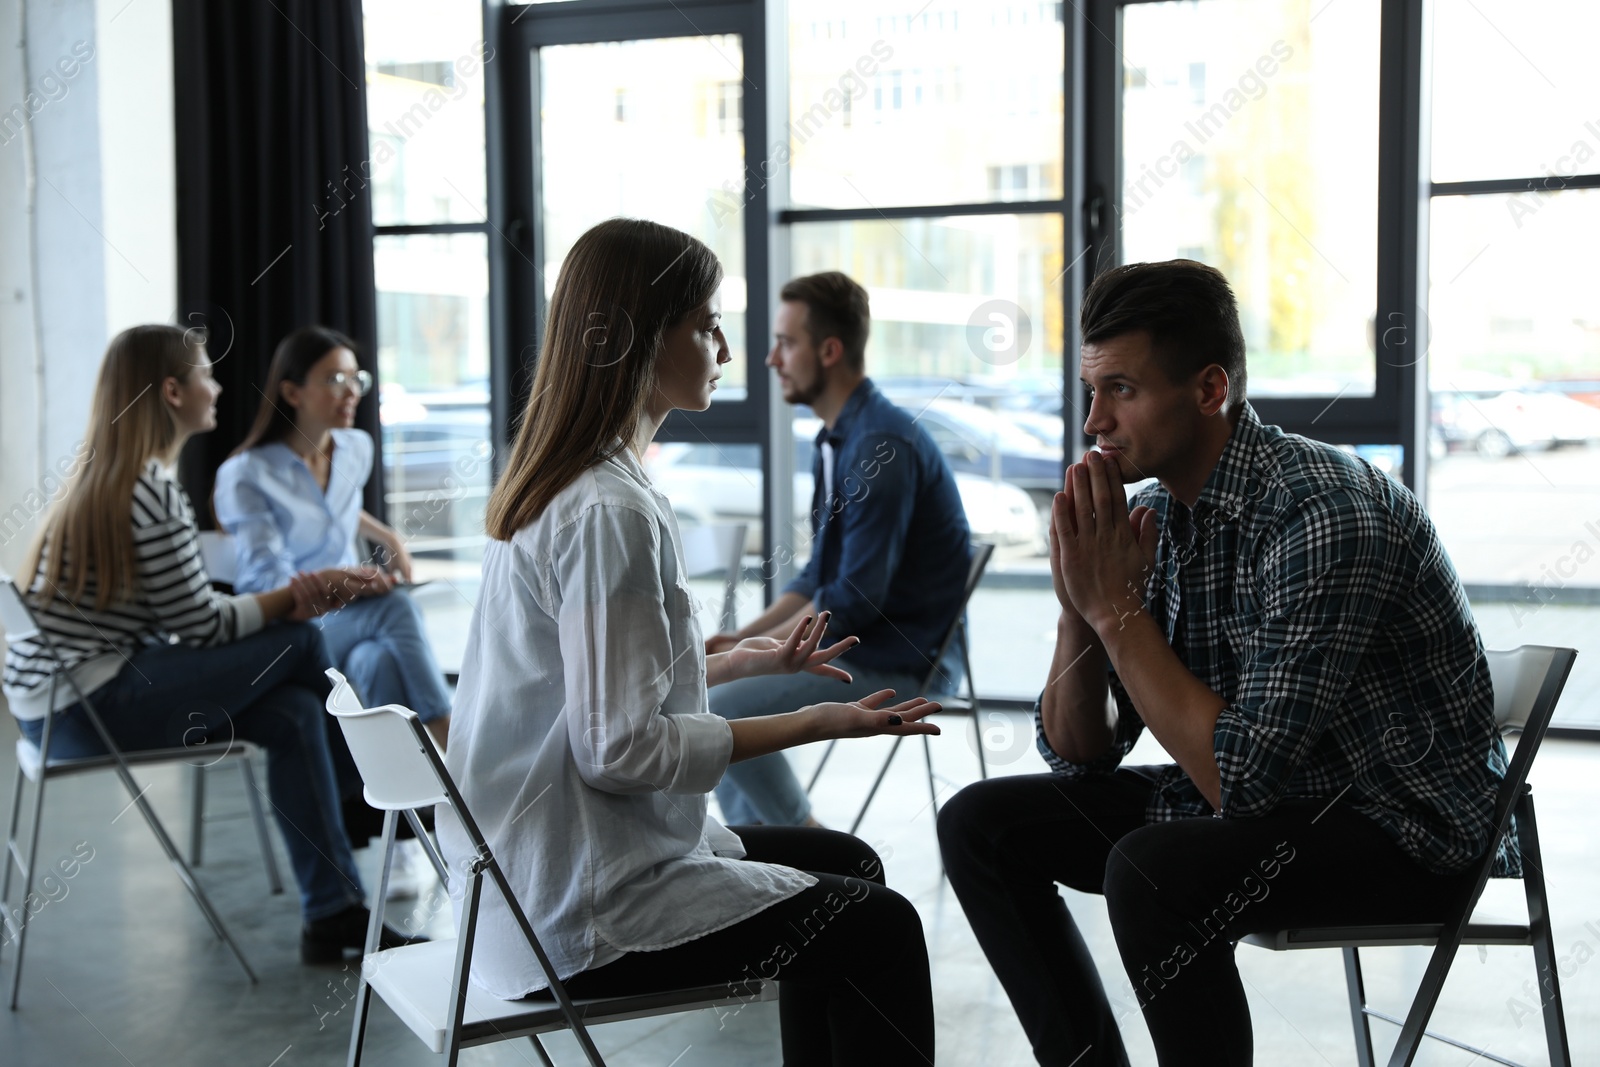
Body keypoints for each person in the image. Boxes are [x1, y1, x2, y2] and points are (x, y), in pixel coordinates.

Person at [937, 260, 1511, 1067]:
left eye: (1122, 390)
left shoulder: (1321, 511)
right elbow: (1082, 751)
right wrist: (1080, 606)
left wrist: (1117, 612)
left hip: (1402, 831)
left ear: (1210, 391)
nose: (1094, 419)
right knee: (981, 824)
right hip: (1271, 803)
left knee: (1154, 870)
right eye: (1090, 389)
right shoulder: (1157, 514)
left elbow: (1240, 783)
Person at [437, 218, 938, 1064]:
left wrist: (746, 659)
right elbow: (620, 749)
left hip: (522, 890)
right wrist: (819, 718)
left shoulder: (571, 484)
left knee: (847, 861)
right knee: (880, 929)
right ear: (637, 337)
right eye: (707, 324)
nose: (728, 350)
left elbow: (597, 686)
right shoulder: (612, 509)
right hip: (579, 906)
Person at [1, 325, 422, 964]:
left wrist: (297, 594)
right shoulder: (148, 490)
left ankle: (333, 913)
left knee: (294, 713)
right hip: (86, 712)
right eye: (205, 373)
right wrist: (301, 594)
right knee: (302, 641)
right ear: (172, 391)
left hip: (51, 714)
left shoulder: (110, 478)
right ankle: (374, 796)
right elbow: (203, 628)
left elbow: (187, 621)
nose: (218, 385)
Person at [704, 271, 972, 826]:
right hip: (860, 646)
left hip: (899, 662)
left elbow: (850, 599)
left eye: (785, 342)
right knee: (717, 694)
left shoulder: (880, 445)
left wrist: (753, 651)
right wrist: (745, 640)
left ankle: (806, 843)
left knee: (713, 712)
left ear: (829, 350)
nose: (770, 359)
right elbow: (816, 577)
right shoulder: (840, 439)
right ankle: (765, 855)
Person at [213, 326, 452, 754]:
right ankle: (450, 738)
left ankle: (402, 800)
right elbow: (266, 580)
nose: (350, 392)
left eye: (355, 379)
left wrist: (384, 534)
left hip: (351, 614)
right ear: (292, 392)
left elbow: (331, 507)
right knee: (395, 607)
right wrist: (335, 579)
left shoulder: (355, 448)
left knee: (373, 662)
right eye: (333, 379)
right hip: (292, 623)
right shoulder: (247, 474)